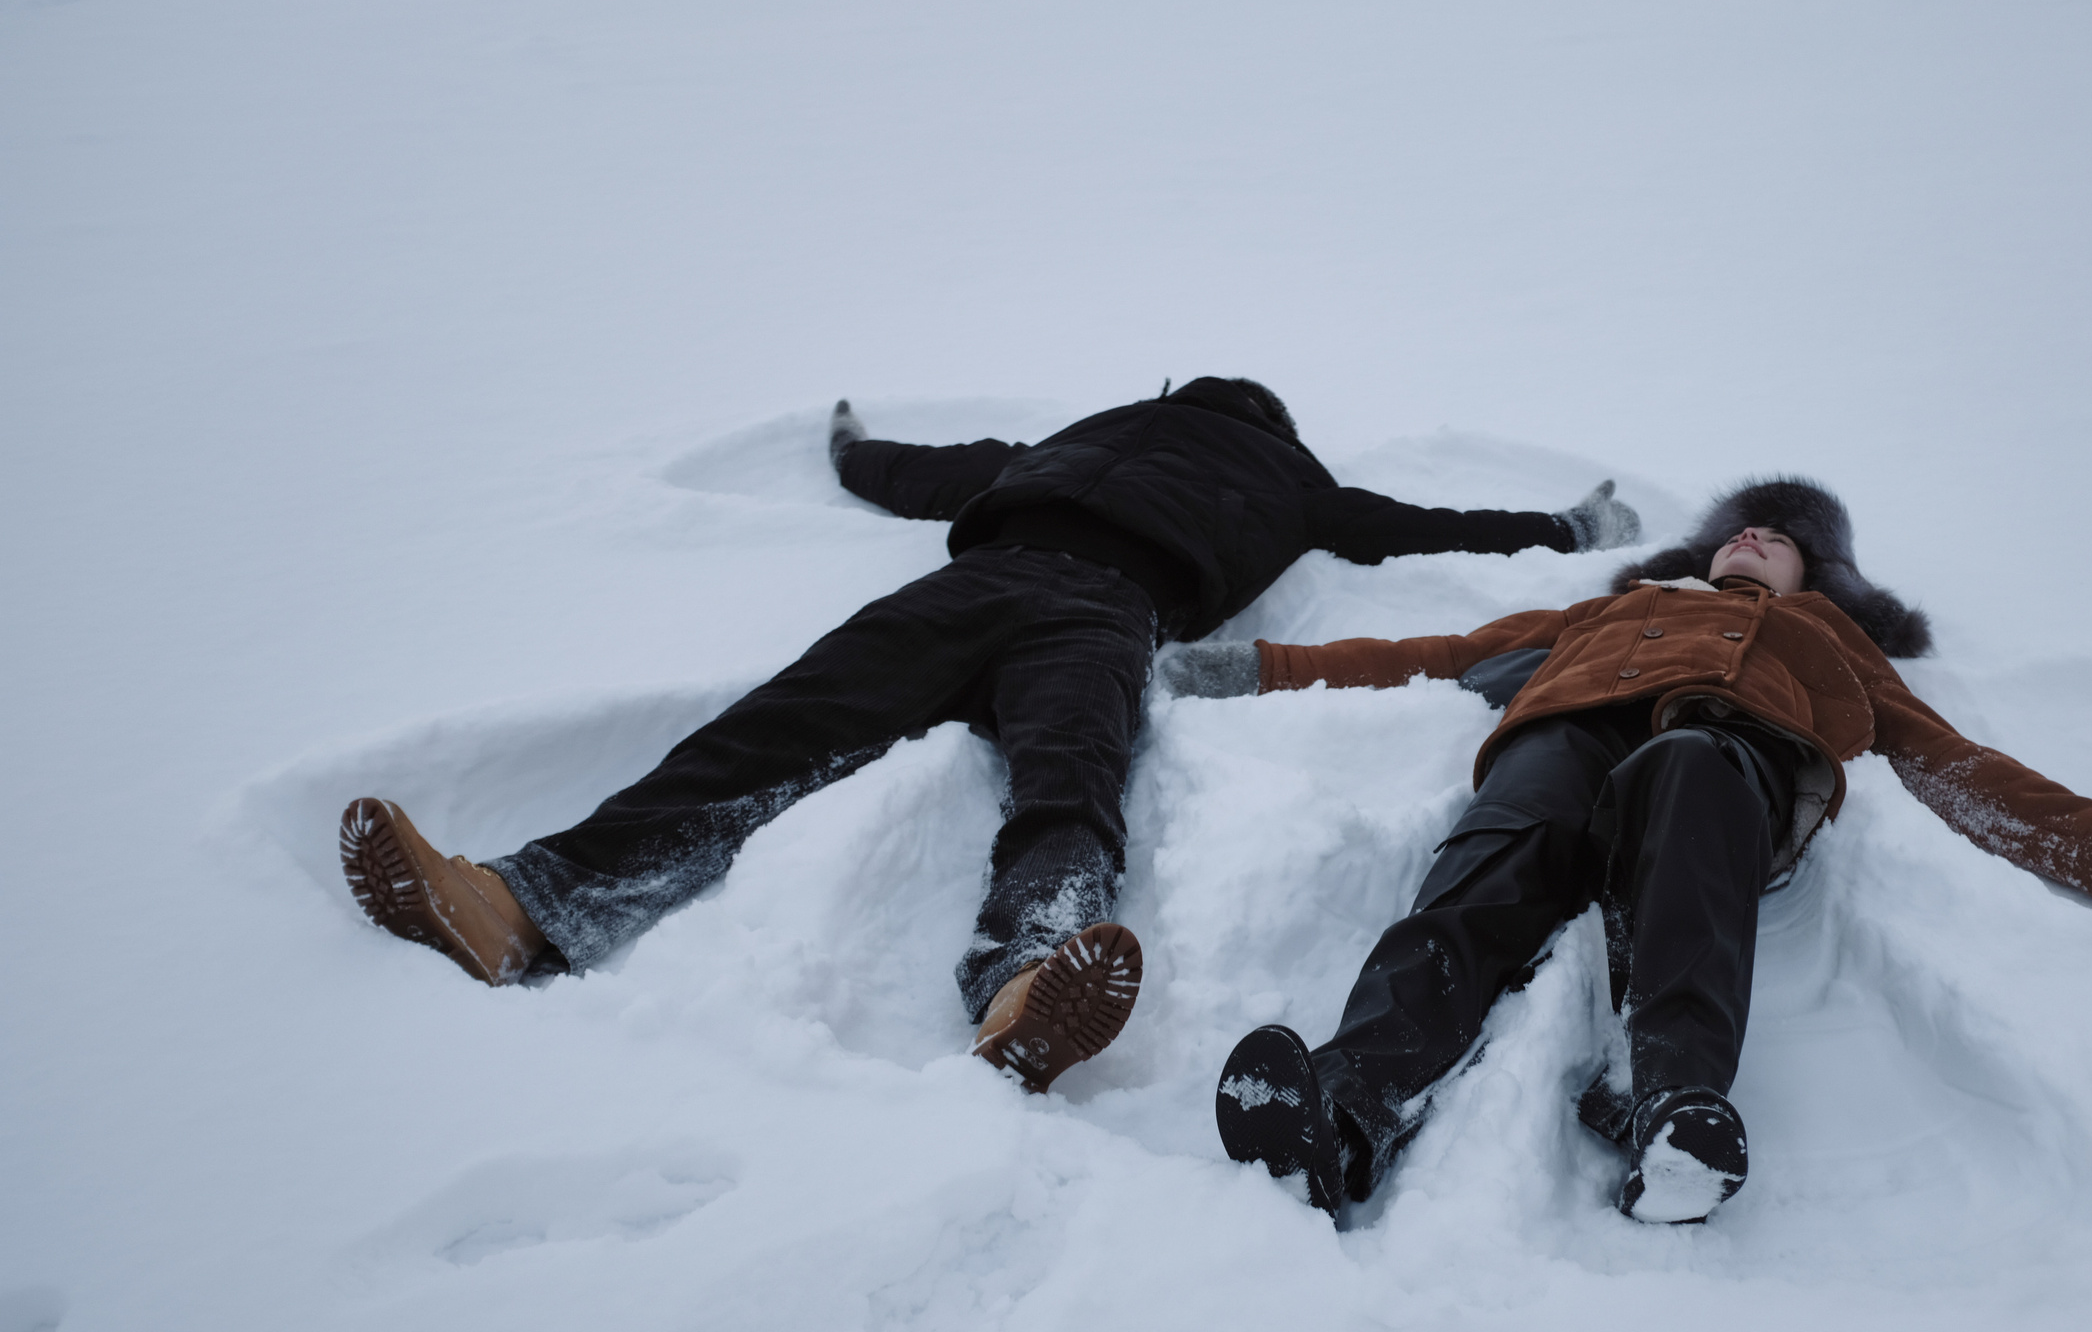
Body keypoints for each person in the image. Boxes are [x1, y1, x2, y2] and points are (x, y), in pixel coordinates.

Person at [338, 377, 1642, 1092]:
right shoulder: (1289, 480)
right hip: (1089, 608)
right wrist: (1561, 530)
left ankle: (1024, 984)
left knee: (788, 739)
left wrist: (857, 451)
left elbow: (933, 468)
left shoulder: (1152, 450)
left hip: (1017, 584)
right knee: (1061, 790)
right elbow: (1432, 525)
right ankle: (515, 906)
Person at [1163, 477, 2092, 1221]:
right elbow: (1429, 655)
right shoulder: (1616, 609)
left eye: (1780, 534)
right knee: (1498, 850)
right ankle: (1348, 1104)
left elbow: (1945, 759)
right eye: (1740, 524)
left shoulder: (1830, 643)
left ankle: (1672, 1103)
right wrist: (1256, 668)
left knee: (1691, 777)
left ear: (1818, 573)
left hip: (1727, 754)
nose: (1752, 534)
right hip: (1566, 735)